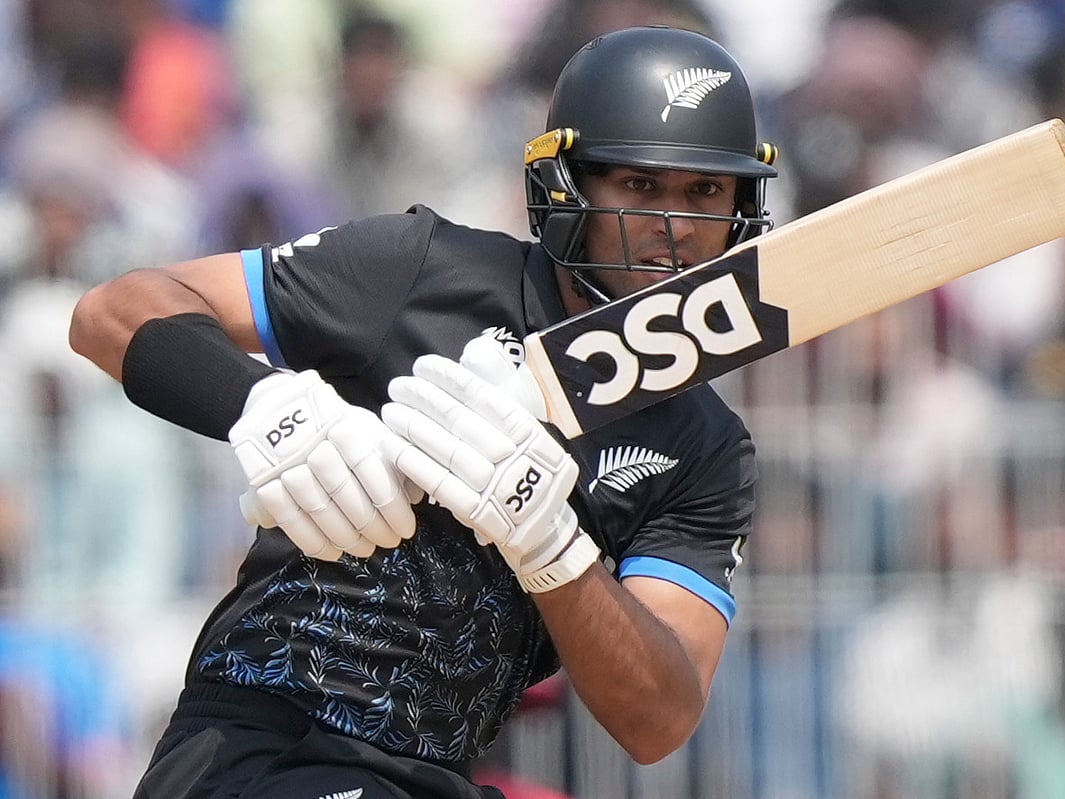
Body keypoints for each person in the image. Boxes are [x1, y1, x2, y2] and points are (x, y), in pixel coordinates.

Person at [68, 25, 777, 799]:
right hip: (253, 741)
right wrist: (267, 407)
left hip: (431, 774)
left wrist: (551, 547)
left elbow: (659, 718)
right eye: (638, 187)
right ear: (567, 186)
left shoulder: (705, 444)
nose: (672, 230)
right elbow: (111, 312)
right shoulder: (421, 269)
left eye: (704, 192)